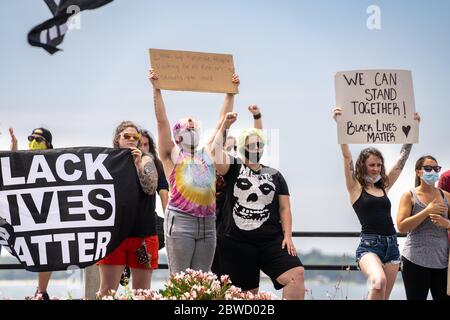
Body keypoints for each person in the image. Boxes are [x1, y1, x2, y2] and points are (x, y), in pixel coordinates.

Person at [148, 69, 240, 275]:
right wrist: (156, 88)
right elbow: (162, 121)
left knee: (202, 280)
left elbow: (220, 122)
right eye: (186, 126)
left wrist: (230, 92)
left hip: (208, 223)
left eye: (194, 126)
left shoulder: (207, 151)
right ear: (177, 136)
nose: (191, 126)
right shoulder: (171, 154)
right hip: (181, 220)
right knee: (180, 279)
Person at [211, 112, 305, 300]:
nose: (256, 148)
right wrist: (225, 126)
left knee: (296, 275)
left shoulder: (275, 175)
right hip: (237, 243)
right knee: (246, 296)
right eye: (252, 145)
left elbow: (285, 208)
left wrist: (287, 236)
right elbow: (215, 152)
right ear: (243, 147)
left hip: (270, 240)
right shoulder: (233, 167)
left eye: (259, 145)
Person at [332, 107, 420, 300]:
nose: (376, 168)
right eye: (372, 165)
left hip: (392, 244)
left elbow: (401, 161)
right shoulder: (355, 188)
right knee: (377, 282)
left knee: (383, 296)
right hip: (369, 245)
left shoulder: (384, 186)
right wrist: (340, 125)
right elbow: (347, 157)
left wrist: (412, 129)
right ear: (363, 165)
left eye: (379, 165)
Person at [97, 121, 158, 297]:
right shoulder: (107, 162)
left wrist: (138, 165)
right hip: (115, 235)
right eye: (127, 136)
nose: (131, 139)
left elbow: (150, 188)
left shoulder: (146, 159)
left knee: (142, 293)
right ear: (118, 139)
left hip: (142, 236)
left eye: (135, 137)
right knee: (106, 292)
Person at [212, 104, 263, 277]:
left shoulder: (239, 167)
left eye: (234, 148)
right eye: (227, 147)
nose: (230, 151)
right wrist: (225, 125)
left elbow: (257, 140)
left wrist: (257, 117)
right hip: (212, 220)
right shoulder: (212, 166)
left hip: (232, 220)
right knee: (216, 270)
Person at [9, 127, 54, 300]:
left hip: (46, 214)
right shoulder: (23, 159)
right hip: (23, 214)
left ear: (48, 144)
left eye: (38, 139)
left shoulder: (54, 160)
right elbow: (10, 170)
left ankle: (41, 292)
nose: (33, 142)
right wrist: (13, 149)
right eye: (31, 138)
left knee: (46, 251)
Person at [397, 155, 450, 300]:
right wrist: (427, 211)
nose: (432, 171)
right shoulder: (409, 196)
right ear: (418, 172)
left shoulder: (447, 196)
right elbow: (401, 226)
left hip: (442, 261)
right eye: (428, 168)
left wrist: (447, 224)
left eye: (436, 168)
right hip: (415, 260)